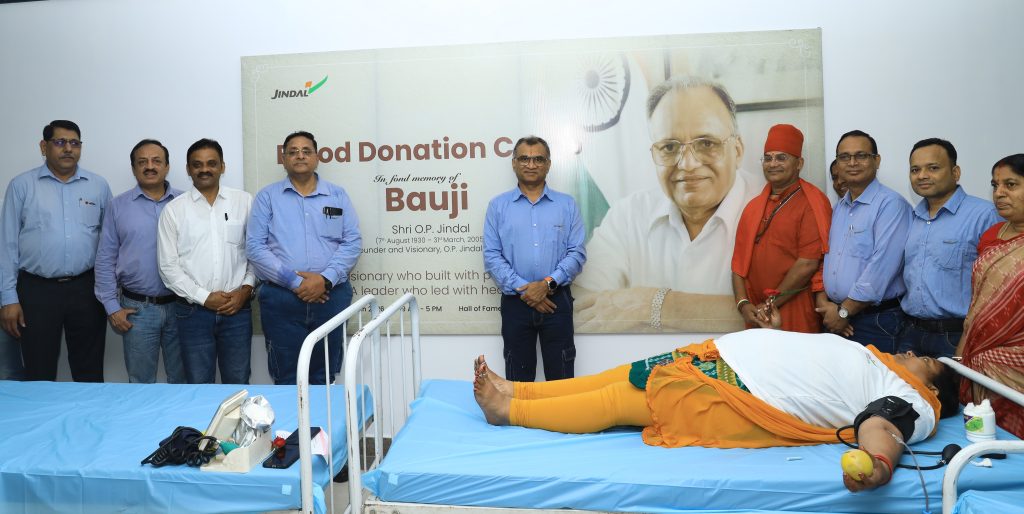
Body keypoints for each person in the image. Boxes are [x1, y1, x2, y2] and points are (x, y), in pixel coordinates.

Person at [473, 313, 960, 492]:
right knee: (618, 374)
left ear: (935, 391)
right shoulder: (881, 363)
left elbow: (881, 428)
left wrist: (879, 466)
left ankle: (509, 411)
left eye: (924, 361)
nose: (911, 354)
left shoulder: (915, 403)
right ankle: (518, 389)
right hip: (722, 355)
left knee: (618, 399)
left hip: (741, 392)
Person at [574, 76, 757, 333]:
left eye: (706, 144)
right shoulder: (629, 215)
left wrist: (652, 305)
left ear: (737, 150)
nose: (688, 164)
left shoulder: (778, 209)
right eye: (669, 147)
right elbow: (579, 304)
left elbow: (783, 314)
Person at [0, 120, 112, 382]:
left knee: (90, 369)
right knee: (38, 370)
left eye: (74, 143)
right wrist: (8, 298)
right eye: (60, 142)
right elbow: (7, 245)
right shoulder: (22, 185)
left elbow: (110, 242)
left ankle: (88, 409)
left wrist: (110, 290)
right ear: (44, 146)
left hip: (87, 289)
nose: (68, 149)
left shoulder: (98, 185)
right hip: (37, 291)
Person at [247, 131, 361, 385]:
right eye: (293, 151)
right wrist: (297, 283)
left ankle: (322, 415)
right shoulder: (267, 197)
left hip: (330, 296)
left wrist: (325, 280)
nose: (300, 156)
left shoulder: (337, 195)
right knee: (286, 376)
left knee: (324, 376)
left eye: (306, 151)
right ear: (284, 159)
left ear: (317, 158)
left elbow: (352, 242)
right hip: (281, 298)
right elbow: (255, 247)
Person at [483, 136, 586, 381]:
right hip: (515, 303)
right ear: (514, 163)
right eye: (524, 159)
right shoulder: (498, 206)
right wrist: (527, 291)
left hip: (557, 301)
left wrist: (546, 285)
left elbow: (577, 252)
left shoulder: (566, 204)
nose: (531, 165)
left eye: (538, 159)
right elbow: (492, 256)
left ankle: (561, 412)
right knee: (518, 383)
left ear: (548, 164)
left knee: (561, 381)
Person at [157, 138, 255, 384]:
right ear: (188, 169)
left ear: (223, 166)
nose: (204, 169)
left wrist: (245, 290)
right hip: (193, 313)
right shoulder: (174, 210)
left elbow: (256, 253)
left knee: (238, 381)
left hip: (237, 309)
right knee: (198, 383)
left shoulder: (244, 202)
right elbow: (168, 267)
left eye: (211, 163)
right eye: (197, 164)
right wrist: (204, 297)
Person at [94, 139, 185, 384]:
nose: (150, 166)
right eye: (142, 162)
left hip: (182, 307)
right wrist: (112, 307)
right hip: (138, 310)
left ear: (167, 166)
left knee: (184, 381)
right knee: (140, 383)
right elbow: (105, 259)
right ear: (134, 168)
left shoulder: (185, 203)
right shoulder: (117, 206)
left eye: (156, 161)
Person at [899, 139, 1001, 358]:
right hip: (911, 333)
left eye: (933, 168)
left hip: (957, 336)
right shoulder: (913, 217)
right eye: (915, 170)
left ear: (956, 173)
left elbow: (998, 285)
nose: (922, 175)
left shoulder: (984, 215)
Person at [731, 124, 831, 332]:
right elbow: (738, 263)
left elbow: (807, 264)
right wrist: (743, 303)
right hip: (757, 311)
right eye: (768, 158)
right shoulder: (754, 206)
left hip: (795, 306)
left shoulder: (811, 203)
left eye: (781, 158)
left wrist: (770, 303)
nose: (773, 164)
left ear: (799, 163)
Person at [818, 130, 911, 352]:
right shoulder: (840, 208)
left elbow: (881, 269)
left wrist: (844, 311)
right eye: (844, 157)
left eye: (861, 155)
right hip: (838, 317)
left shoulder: (891, 205)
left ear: (876, 161)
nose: (852, 163)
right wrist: (829, 307)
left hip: (875, 322)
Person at [955, 154, 1024, 439]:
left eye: (1011, 184)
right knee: (984, 438)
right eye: (995, 185)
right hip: (977, 356)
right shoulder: (992, 235)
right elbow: (979, 306)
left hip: (1016, 365)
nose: (999, 193)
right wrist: (960, 357)